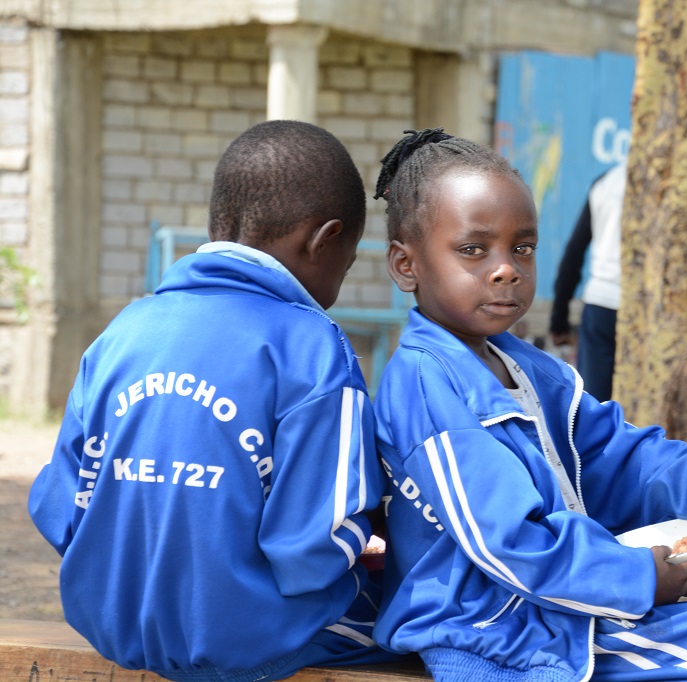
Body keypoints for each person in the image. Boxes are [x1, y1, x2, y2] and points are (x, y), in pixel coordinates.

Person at [370, 128, 687, 681]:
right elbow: (505, 542)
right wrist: (637, 579)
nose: (507, 269)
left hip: (559, 606)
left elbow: (612, 452)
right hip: (490, 632)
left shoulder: (527, 367)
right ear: (407, 266)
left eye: (522, 247)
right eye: (474, 250)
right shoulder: (427, 386)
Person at [28, 120, 405, 681]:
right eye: (346, 267)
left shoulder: (123, 332)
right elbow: (313, 550)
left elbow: (58, 511)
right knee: (421, 616)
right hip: (247, 641)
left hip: (108, 622)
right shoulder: (313, 347)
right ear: (323, 241)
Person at [549, 162, 625, 401]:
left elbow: (574, 254)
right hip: (647, 306)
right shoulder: (671, 179)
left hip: (601, 305)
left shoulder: (607, 181)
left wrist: (559, 319)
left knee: (595, 401)